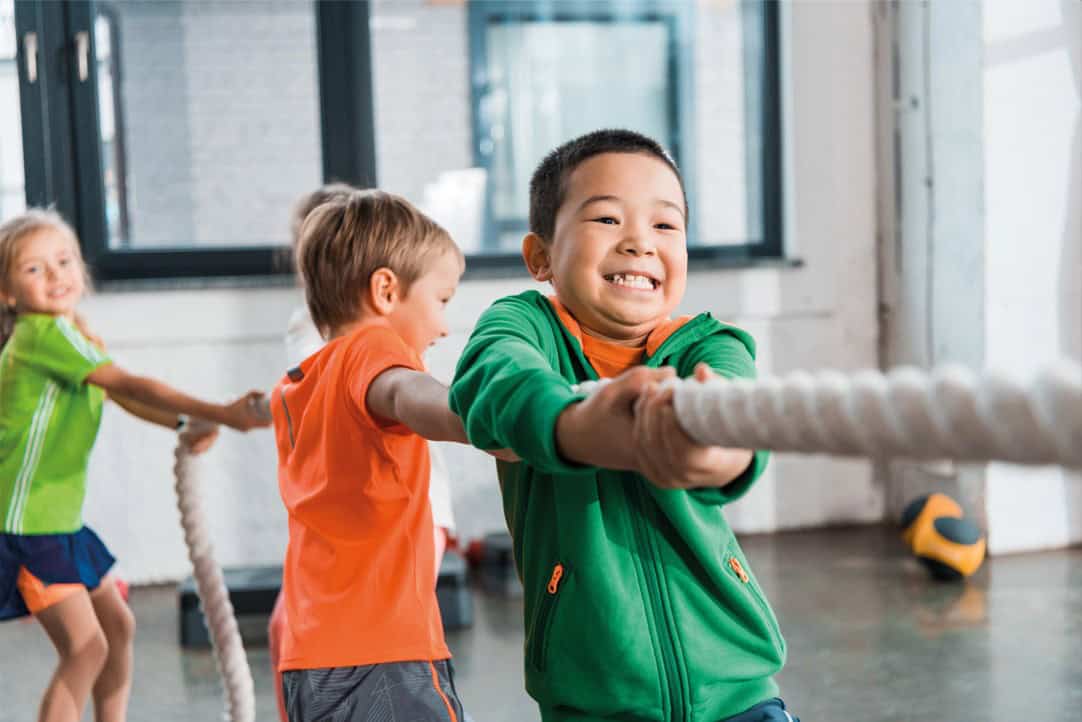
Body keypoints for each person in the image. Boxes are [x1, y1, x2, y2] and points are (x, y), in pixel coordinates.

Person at [450, 129, 799, 722]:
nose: (640, 242)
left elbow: (737, 424)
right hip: (593, 698)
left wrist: (708, 455)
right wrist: (579, 426)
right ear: (540, 256)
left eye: (665, 225)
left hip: (739, 691)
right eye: (607, 219)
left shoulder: (710, 345)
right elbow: (495, 379)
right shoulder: (523, 326)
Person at [0, 208, 269, 722]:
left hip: (59, 523)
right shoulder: (41, 336)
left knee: (117, 627)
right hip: (27, 528)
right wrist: (223, 414)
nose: (55, 275)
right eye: (34, 268)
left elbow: (121, 397)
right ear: (6, 293)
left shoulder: (73, 338)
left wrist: (184, 423)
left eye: (64, 261)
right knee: (85, 648)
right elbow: (130, 384)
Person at [272, 190, 506, 721]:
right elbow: (406, 394)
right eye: (441, 300)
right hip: (384, 657)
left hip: (309, 662)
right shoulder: (374, 348)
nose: (444, 326)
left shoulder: (294, 389)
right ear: (385, 291)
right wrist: (493, 414)